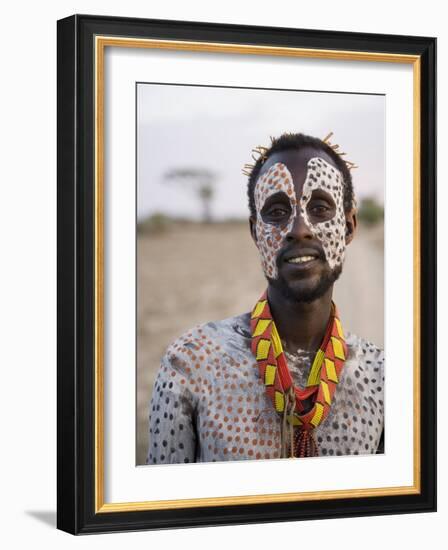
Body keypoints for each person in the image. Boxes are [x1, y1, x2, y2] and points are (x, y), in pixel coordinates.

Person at [147, 132, 384, 464]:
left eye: (319, 207)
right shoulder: (191, 363)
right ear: (255, 231)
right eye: (276, 211)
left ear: (349, 226)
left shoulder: (379, 378)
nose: (300, 228)